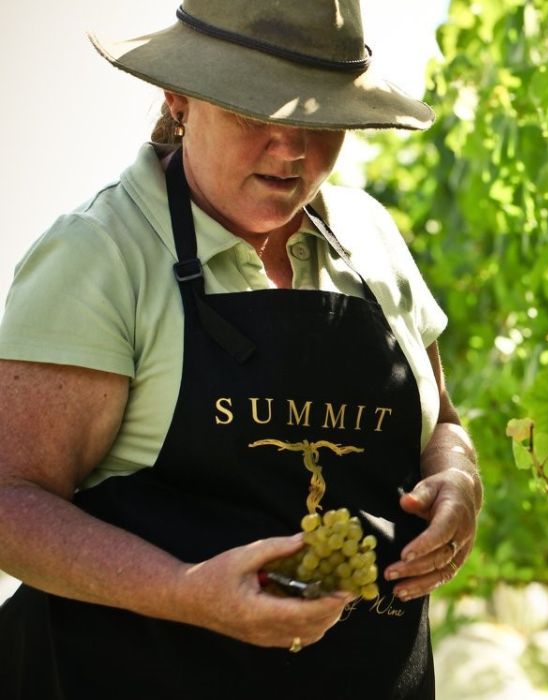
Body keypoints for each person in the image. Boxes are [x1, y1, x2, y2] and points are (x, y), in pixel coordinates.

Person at [0, 1, 481, 697]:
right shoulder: (103, 254)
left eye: (320, 121)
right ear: (179, 99)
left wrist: (460, 483)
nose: (291, 151)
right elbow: (11, 499)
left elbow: (445, 427)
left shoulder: (372, 237)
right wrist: (184, 591)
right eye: (254, 113)